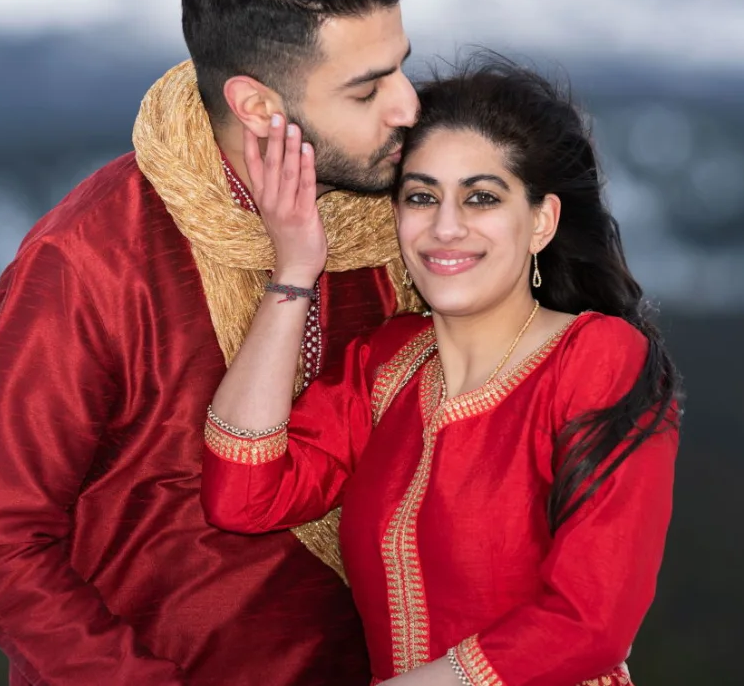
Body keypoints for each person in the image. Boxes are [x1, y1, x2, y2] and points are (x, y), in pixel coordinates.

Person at [0, 0, 423, 686]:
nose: (408, 105)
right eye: (368, 89)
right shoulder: (91, 260)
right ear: (259, 106)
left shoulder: (407, 226)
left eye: (402, 65)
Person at [201, 58, 684, 685]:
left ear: (541, 222)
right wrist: (294, 268)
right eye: (421, 196)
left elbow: (589, 622)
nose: (445, 227)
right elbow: (241, 495)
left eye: (481, 197)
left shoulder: (594, 358)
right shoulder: (386, 366)